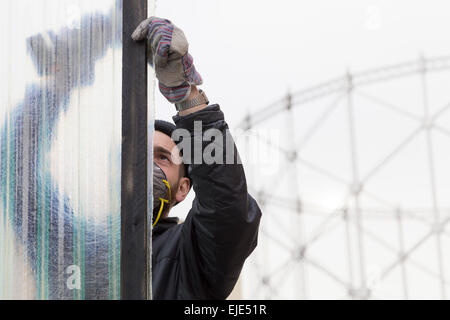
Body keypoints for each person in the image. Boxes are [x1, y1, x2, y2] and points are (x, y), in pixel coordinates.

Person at [132, 17, 262, 300]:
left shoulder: (188, 255)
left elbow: (227, 208)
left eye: (162, 157)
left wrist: (186, 95)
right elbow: (23, 189)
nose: (145, 166)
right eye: (139, 155)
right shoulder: (84, 242)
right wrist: (53, 84)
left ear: (182, 188)